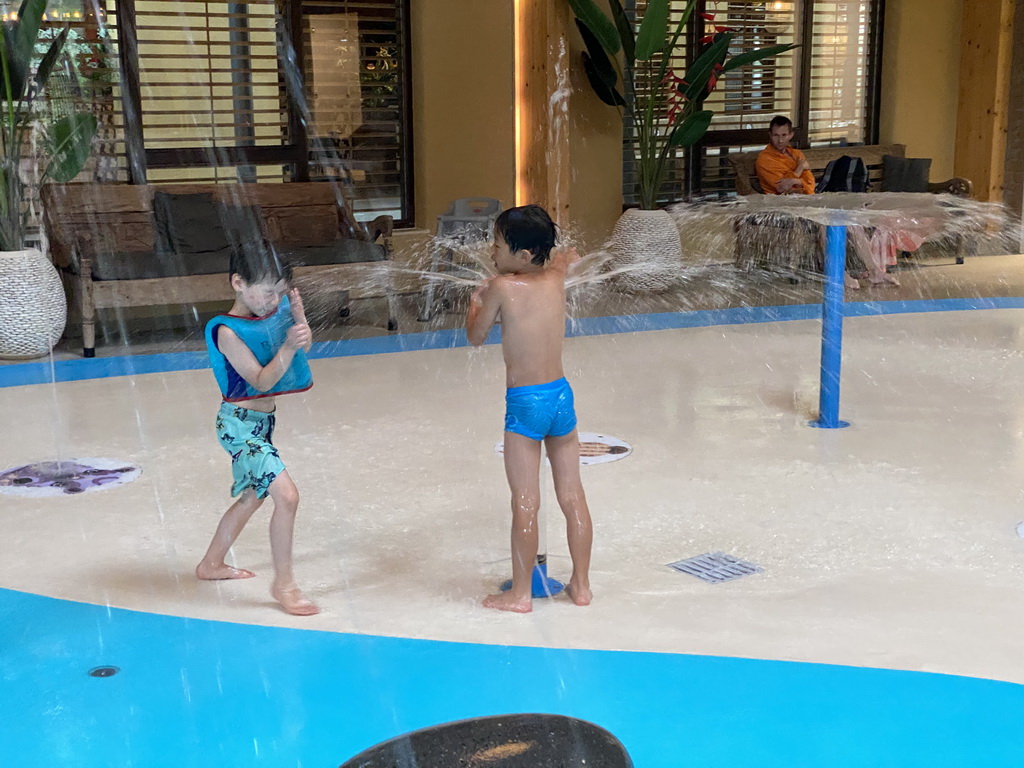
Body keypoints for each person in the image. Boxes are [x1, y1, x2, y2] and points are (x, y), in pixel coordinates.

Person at [466, 204, 593, 614]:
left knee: (525, 500)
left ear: (522, 256)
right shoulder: (556, 276)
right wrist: (562, 254)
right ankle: (582, 585)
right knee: (572, 495)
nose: (491, 250)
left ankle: (520, 594)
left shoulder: (502, 287)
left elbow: (476, 336)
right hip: (561, 397)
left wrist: (475, 301)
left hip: (525, 404)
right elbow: (566, 255)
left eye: (498, 244)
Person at [196, 242, 320, 616]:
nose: (272, 302)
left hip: (261, 424)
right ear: (237, 282)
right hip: (238, 426)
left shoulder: (272, 313)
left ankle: (211, 564)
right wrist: (287, 345)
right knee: (287, 496)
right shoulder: (227, 333)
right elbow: (262, 380)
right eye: (267, 292)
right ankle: (284, 584)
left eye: (279, 294)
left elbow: (305, 346)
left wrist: (300, 324)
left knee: (254, 496)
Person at [755, 115, 815, 196]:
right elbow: (782, 188)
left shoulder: (797, 154)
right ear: (770, 135)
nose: (780, 140)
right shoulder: (765, 159)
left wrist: (796, 181)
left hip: (808, 198)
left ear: (790, 135)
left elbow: (810, 184)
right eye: (776, 135)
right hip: (780, 202)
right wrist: (799, 169)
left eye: (784, 135)